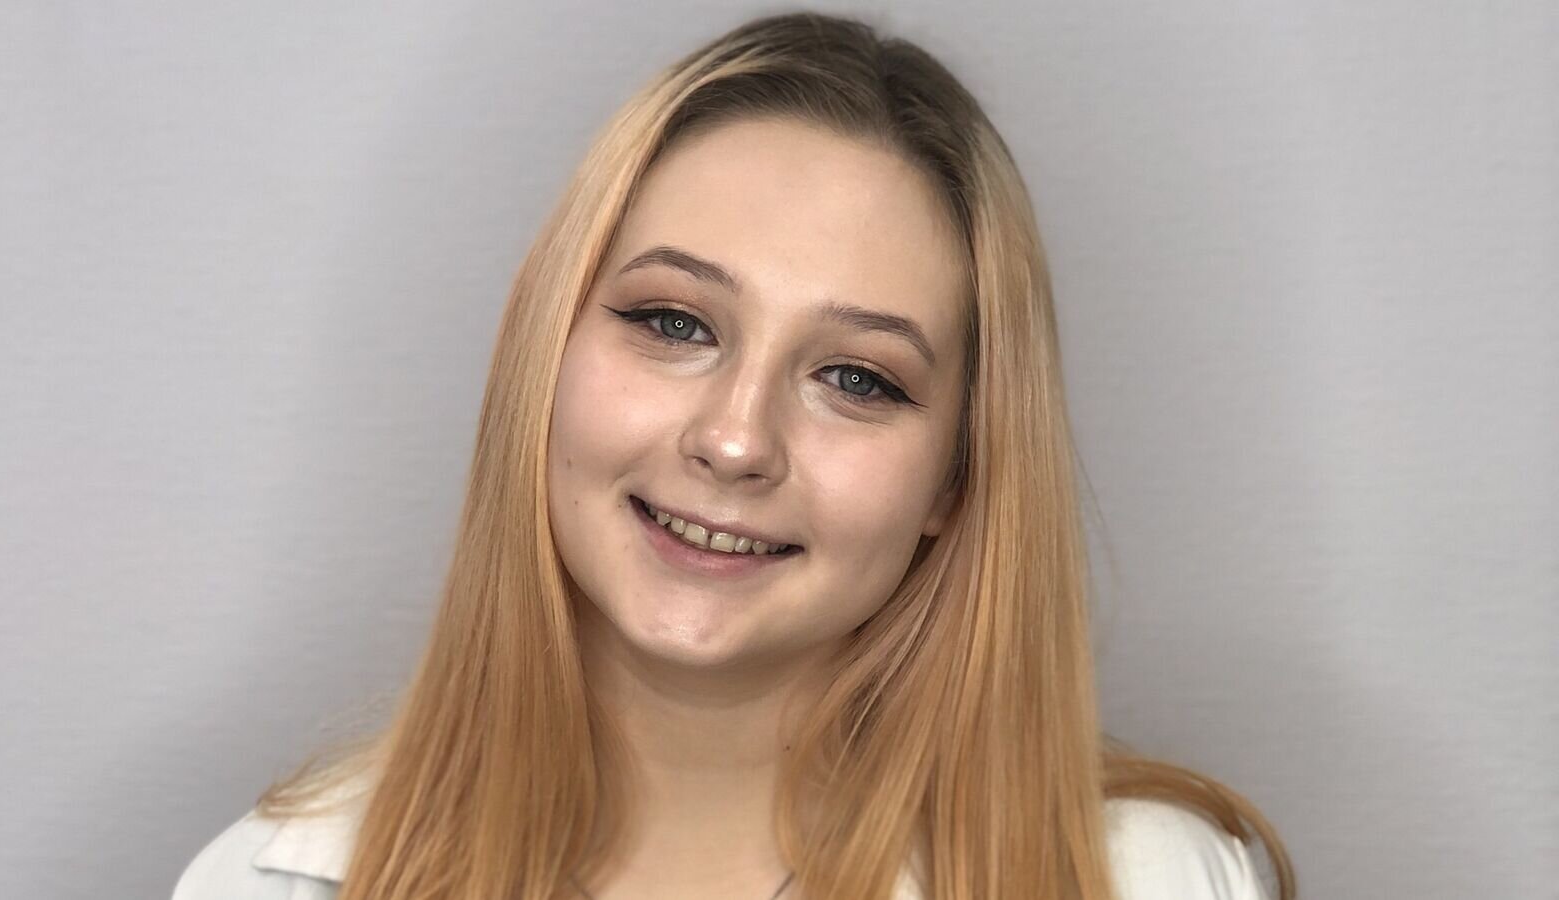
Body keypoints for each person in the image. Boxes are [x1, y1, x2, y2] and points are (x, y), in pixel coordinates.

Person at [172, 11, 1295, 900]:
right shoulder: (266, 884)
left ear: (956, 479)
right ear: (542, 357)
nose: (734, 439)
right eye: (673, 322)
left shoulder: (1151, 882)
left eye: (857, 379)